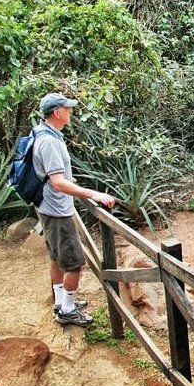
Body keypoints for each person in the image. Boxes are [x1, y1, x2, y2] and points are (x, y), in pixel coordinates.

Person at [33, 92, 116, 327]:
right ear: (57, 113)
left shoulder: (45, 132)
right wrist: (93, 194)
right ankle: (67, 310)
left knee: (56, 258)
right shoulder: (48, 141)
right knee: (73, 263)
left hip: (48, 206)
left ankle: (61, 303)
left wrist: (70, 181)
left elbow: (54, 176)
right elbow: (57, 182)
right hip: (57, 210)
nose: (70, 112)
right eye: (67, 108)